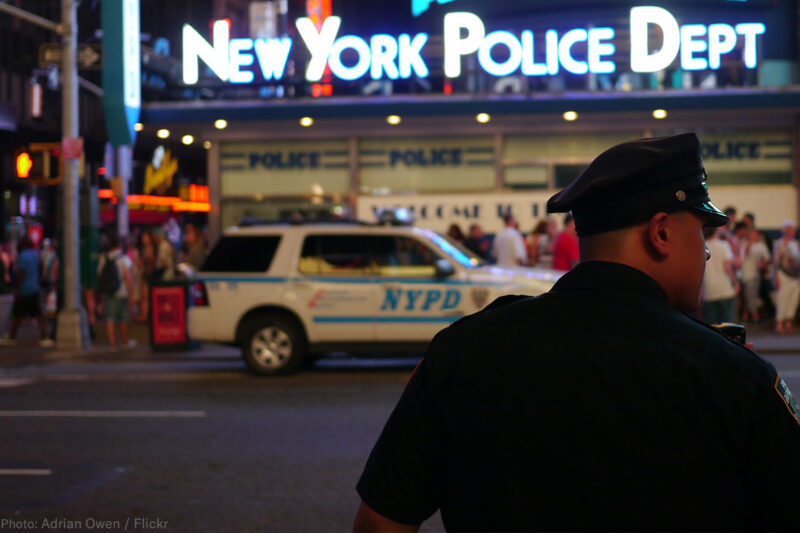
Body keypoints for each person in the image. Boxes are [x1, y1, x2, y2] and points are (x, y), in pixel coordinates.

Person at [353, 133, 800, 532]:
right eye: (701, 233)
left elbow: (380, 521)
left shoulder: (462, 351)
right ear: (661, 232)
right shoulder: (735, 377)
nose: (705, 253)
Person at [0, 237, 53, 346]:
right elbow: (39, 270)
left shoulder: (22, 256)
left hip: (24, 289)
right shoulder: (35, 255)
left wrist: (17, 289)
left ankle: (12, 336)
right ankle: (43, 335)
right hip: (34, 287)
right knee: (38, 313)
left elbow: (21, 273)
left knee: (18, 314)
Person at [97, 233, 135, 350]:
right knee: (124, 318)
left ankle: (112, 343)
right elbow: (127, 277)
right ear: (120, 245)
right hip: (122, 292)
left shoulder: (104, 258)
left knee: (110, 318)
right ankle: (124, 341)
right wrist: (131, 293)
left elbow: (100, 274)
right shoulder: (124, 258)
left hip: (109, 292)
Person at [701, 225, 739, 324]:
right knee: (727, 325)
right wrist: (735, 282)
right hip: (725, 288)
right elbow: (727, 267)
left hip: (709, 290)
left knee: (711, 325)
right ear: (716, 231)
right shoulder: (724, 245)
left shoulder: (702, 246)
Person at [772, 219, 800, 334]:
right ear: (785, 231)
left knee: (793, 300)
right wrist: (775, 277)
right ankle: (779, 324)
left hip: (795, 276)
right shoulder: (780, 244)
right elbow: (775, 262)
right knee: (782, 299)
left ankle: (788, 323)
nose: (792, 231)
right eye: (790, 229)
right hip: (783, 275)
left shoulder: (795, 243)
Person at [740, 227, 770, 323]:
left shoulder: (761, 245)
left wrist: (762, 264)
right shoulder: (744, 244)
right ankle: (747, 314)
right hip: (743, 273)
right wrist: (748, 243)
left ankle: (754, 315)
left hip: (754, 273)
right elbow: (743, 255)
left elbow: (767, 258)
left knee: (752, 293)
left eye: (754, 233)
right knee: (746, 294)